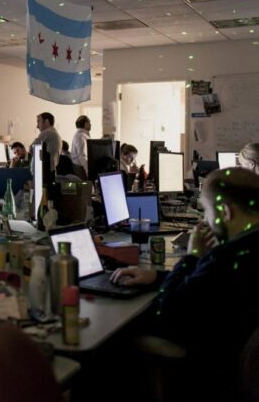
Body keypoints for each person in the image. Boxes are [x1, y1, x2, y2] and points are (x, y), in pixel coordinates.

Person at [110, 167, 259, 401]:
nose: (205, 220)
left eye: (208, 212)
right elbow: (201, 287)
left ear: (226, 213)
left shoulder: (225, 259)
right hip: (235, 357)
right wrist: (157, 277)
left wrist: (191, 258)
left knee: (112, 347)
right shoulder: (245, 251)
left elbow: (166, 310)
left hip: (211, 369)